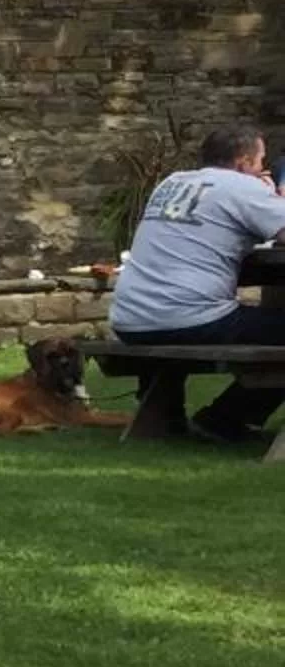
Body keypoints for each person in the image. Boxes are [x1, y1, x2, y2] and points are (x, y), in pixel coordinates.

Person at [110, 126, 285, 443]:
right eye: (261, 161)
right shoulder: (242, 187)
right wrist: (273, 197)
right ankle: (224, 419)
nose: (264, 169)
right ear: (244, 162)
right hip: (187, 319)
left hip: (131, 318)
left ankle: (169, 418)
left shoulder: (173, 182)